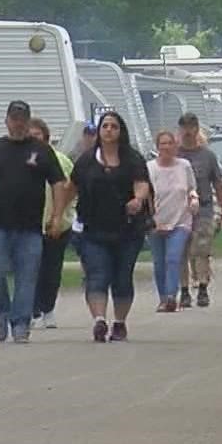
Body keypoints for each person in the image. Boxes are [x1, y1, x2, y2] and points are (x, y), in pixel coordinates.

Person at [0, 101, 70, 344]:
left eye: (22, 119)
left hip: (30, 228)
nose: (18, 123)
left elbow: (58, 184)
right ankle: (2, 311)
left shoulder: (41, 151)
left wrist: (56, 216)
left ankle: (21, 323)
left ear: (28, 120)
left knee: (27, 276)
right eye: (14, 119)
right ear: (7, 121)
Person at [70, 111, 152, 342]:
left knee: (122, 277)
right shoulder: (86, 160)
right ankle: (99, 320)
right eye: (104, 126)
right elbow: (70, 188)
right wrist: (58, 215)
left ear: (120, 131)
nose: (108, 130)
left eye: (113, 126)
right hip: (93, 229)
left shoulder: (132, 158)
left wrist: (137, 200)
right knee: (97, 275)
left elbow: (142, 183)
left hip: (127, 230)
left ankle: (119, 322)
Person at [28, 117, 78, 330]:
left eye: (37, 135)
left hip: (57, 224)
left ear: (45, 137)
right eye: (30, 135)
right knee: (30, 269)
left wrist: (58, 216)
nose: (33, 139)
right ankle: (31, 310)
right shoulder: (23, 160)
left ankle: (47, 309)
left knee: (50, 269)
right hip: (29, 225)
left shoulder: (60, 160)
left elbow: (69, 189)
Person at [175, 113, 222, 309]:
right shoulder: (174, 155)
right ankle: (184, 290)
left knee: (201, 249)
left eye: (191, 127)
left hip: (204, 207)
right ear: (180, 130)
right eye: (184, 128)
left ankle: (203, 287)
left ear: (197, 129)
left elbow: (217, 182)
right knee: (181, 250)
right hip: (179, 209)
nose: (188, 132)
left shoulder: (207, 156)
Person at [147, 130, 199, 313]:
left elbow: (192, 189)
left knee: (173, 258)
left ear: (175, 146)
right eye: (163, 143)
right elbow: (144, 194)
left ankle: (171, 297)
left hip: (180, 220)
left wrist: (194, 200)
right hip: (156, 220)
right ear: (157, 147)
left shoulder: (184, 166)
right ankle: (162, 298)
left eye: (170, 143)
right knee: (159, 262)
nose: (167, 147)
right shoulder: (150, 168)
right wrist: (151, 219)